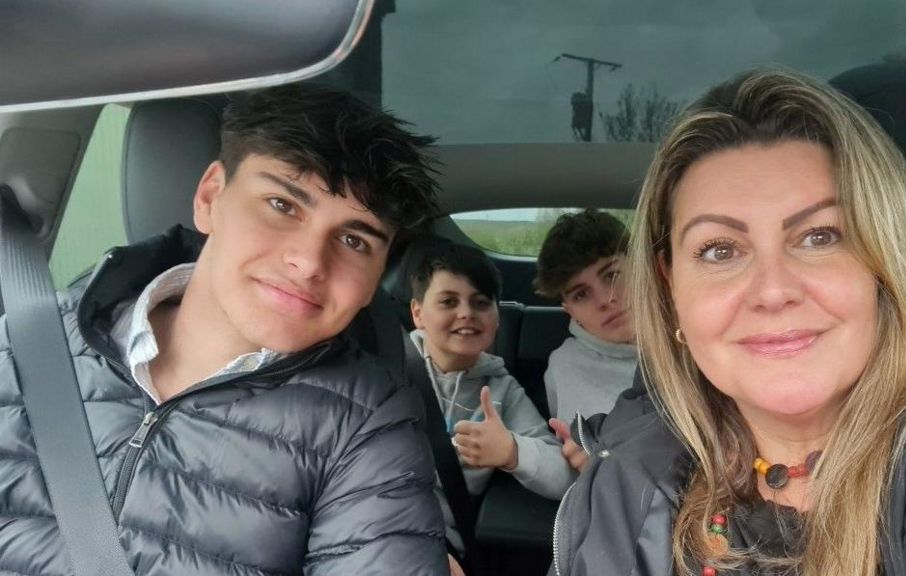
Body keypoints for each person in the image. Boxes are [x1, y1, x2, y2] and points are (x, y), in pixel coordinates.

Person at [551, 69, 906, 576]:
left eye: (819, 236)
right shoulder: (618, 490)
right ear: (672, 290)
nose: (773, 291)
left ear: (886, 262)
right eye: (719, 250)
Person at [0, 84, 449, 574]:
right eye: (282, 205)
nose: (307, 262)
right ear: (210, 197)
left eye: (353, 240)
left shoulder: (370, 421)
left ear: (373, 285)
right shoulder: (26, 341)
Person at [408, 243, 574, 555]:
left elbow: (564, 476)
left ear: (496, 318)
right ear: (418, 313)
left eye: (481, 303)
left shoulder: (502, 391)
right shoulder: (387, 370)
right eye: (448, 302)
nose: (466, 313)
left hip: (440, 541)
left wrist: (512, 451)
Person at [534, 209, 637, 472]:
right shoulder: (565, 366)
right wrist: (582, 459)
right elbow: (578, 452)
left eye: (611, 275)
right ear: (569, 310)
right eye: (581, 295)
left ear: (640, 265)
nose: (605, 299)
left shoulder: (696, 335)